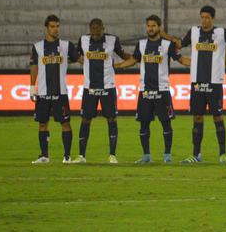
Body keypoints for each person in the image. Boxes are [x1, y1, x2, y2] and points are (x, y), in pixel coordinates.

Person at [163, 6, 226, 163]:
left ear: (213, 18)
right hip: (197, 82)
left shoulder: (221, 33)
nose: (204, 20)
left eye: (207, 17)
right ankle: (196, 154)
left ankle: (222, 154)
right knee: (197, 117)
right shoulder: (193, 32)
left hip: (214, 82)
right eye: (202, 17)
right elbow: (179, 44)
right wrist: (166, 36)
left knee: (217, 117)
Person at [115, 15, 188, 164]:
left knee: (166, 123)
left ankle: (167, 155)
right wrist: (116, 66)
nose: (151, 28)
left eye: (153, 26)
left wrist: (196, 63)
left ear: (159, 27)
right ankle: (146, 155)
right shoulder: (141, 44)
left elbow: (180, 59)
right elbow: (133, 60)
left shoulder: (167, 45)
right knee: (144, 124)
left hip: (162, 90)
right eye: (148, 26)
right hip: (145, 91)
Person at [71, 19, 131, 164]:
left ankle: (112, 155)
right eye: (93, 28)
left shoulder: (112, 40)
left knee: (111, 119)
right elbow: (76, 56)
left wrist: (134, 59)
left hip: (108, 86)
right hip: (89, 87)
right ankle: (81, 156)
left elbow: (123, 55)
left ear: (103, 28)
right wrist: (83, 62)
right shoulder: (83, 40)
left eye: (98, 28)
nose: (95, 31)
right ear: (90, 28)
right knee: (85, 119)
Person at [30, 15, 78, 164]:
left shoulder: (66, 45)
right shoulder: (38, 47)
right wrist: (32, 87)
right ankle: (44, 156)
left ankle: (67, 156)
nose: (55, 29)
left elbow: (78, 58)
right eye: (52, 26)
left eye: (57, 26)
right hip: (43, 92)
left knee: (65, 123)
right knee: (42, 124)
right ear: (46, 28)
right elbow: (34, 67)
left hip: (60, 92)